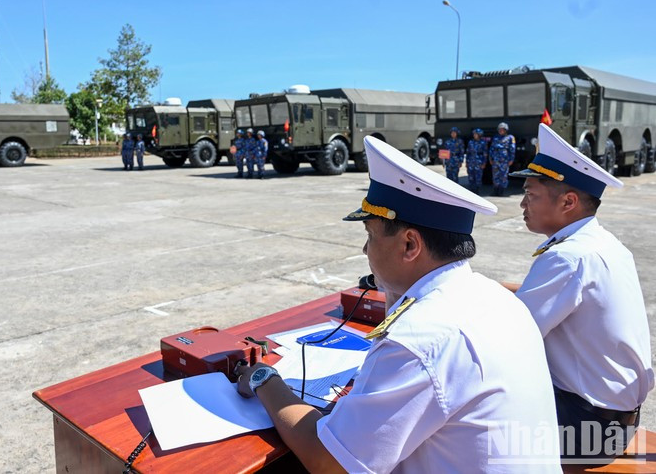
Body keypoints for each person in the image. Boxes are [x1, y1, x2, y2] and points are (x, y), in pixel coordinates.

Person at [236, 136, 561, 473]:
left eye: (370, 235)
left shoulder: (419, 338)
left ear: (410, 245)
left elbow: (330, 463)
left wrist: (264, 379)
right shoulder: (495, 298)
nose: (365, 250)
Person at [506, 123, 653, 461]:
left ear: (568, 201)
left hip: (585, 428)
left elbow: (510, 336)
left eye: (531, 195)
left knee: (459, 408)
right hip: (612, 421)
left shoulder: (568, 257)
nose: (523, 204)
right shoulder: (602, 243)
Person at [489, 122, 516, 196]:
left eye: (502, 129)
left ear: (505, 130)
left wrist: (511, 159)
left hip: (504, 160)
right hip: (495, 160)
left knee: (503, 176)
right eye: (499, 129)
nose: (500, 131)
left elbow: (512, 149)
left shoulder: (510, 138)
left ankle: (501, 191)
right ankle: (495, 190)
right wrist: (490, 158)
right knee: (495, 176)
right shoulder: (495, 138)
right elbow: (492, 148)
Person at [466, 128, 488, 193]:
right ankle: (471, 190)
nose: (474, 135)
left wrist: (484, 163)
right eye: (474, 134)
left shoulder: (483, 143)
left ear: (479, 135)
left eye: (476, 134)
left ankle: (477, 190)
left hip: (479, 162)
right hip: (471, 162)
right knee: (471, 177)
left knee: (478, 177)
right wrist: (467, 162)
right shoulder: (471, 142)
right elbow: (468, 153)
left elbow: (485, 154)